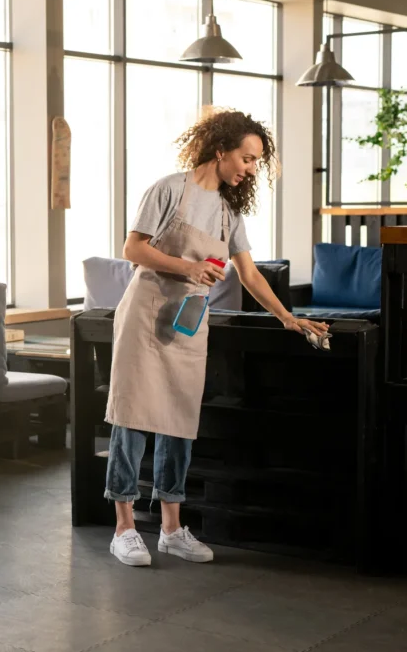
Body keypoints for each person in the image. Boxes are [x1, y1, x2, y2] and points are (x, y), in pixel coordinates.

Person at [104, 108, 328, 567]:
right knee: (132, 417)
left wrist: (288, 316)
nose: (250, 169)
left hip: (187, 322)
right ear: (221, 149)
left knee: (180, 424)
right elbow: (132, 248)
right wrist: (188, 266)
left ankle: (170, 529)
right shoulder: (168, 189)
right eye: (247, 159)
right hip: (146, 314)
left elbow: (249, 273)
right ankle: (124, 527)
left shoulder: (228, 212)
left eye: (255, 163)